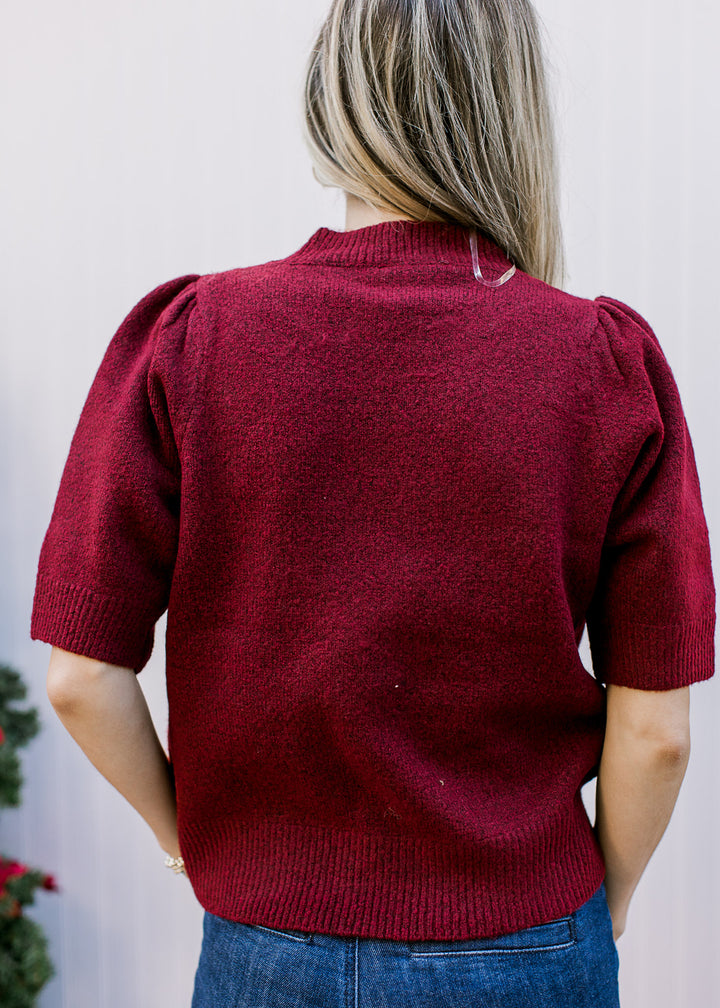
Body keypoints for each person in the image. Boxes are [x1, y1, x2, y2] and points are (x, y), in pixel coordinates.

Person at [30, 1, 715, 1006]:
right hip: (527, 942)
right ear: (513, 110)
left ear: (331, 103)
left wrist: (197, 846)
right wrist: (594, 908)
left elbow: (81, 679)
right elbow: (658, 733)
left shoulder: (194, 338)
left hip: (264, 949)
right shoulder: (604, 364)